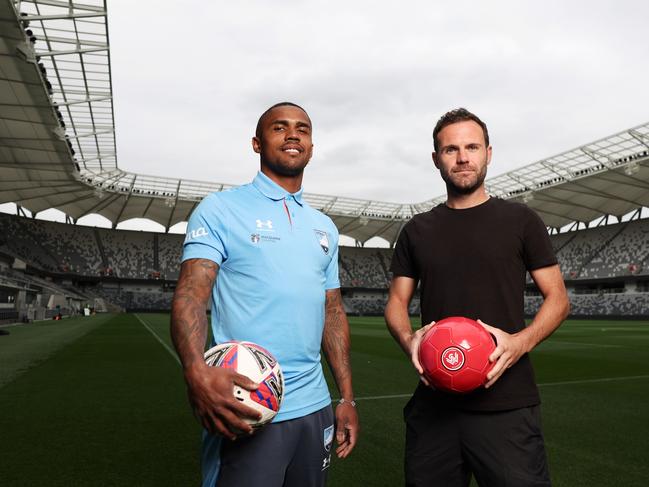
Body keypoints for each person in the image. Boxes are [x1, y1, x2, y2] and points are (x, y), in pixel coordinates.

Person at [171, 102, 359, 487]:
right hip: (249, 403)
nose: (293, 135)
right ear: (257, 143)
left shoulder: (324, 227)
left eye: (302, 129)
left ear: (311, 145)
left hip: (316, 407)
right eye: (279, 127)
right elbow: (191, 293)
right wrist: (194, 370)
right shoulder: (220, 209)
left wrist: (347, 398)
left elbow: (333, 311)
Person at [384, 108, 570, 487]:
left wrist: (520, 343)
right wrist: (409, 342)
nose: (463, 157)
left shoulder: (521, 221)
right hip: (434, 407)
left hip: (507, 407)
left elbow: (559, 299)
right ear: (436, 159)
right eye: (451, 149)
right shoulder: (417, 230)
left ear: (488, 152)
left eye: (472, 146)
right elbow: (397, 303)